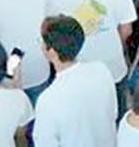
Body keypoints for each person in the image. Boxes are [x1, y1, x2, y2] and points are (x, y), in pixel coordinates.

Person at [32, 15, 119, 147]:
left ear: (52, 51)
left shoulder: (48, 99)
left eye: (42, 41)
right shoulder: (101, 70)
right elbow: (113, 113)